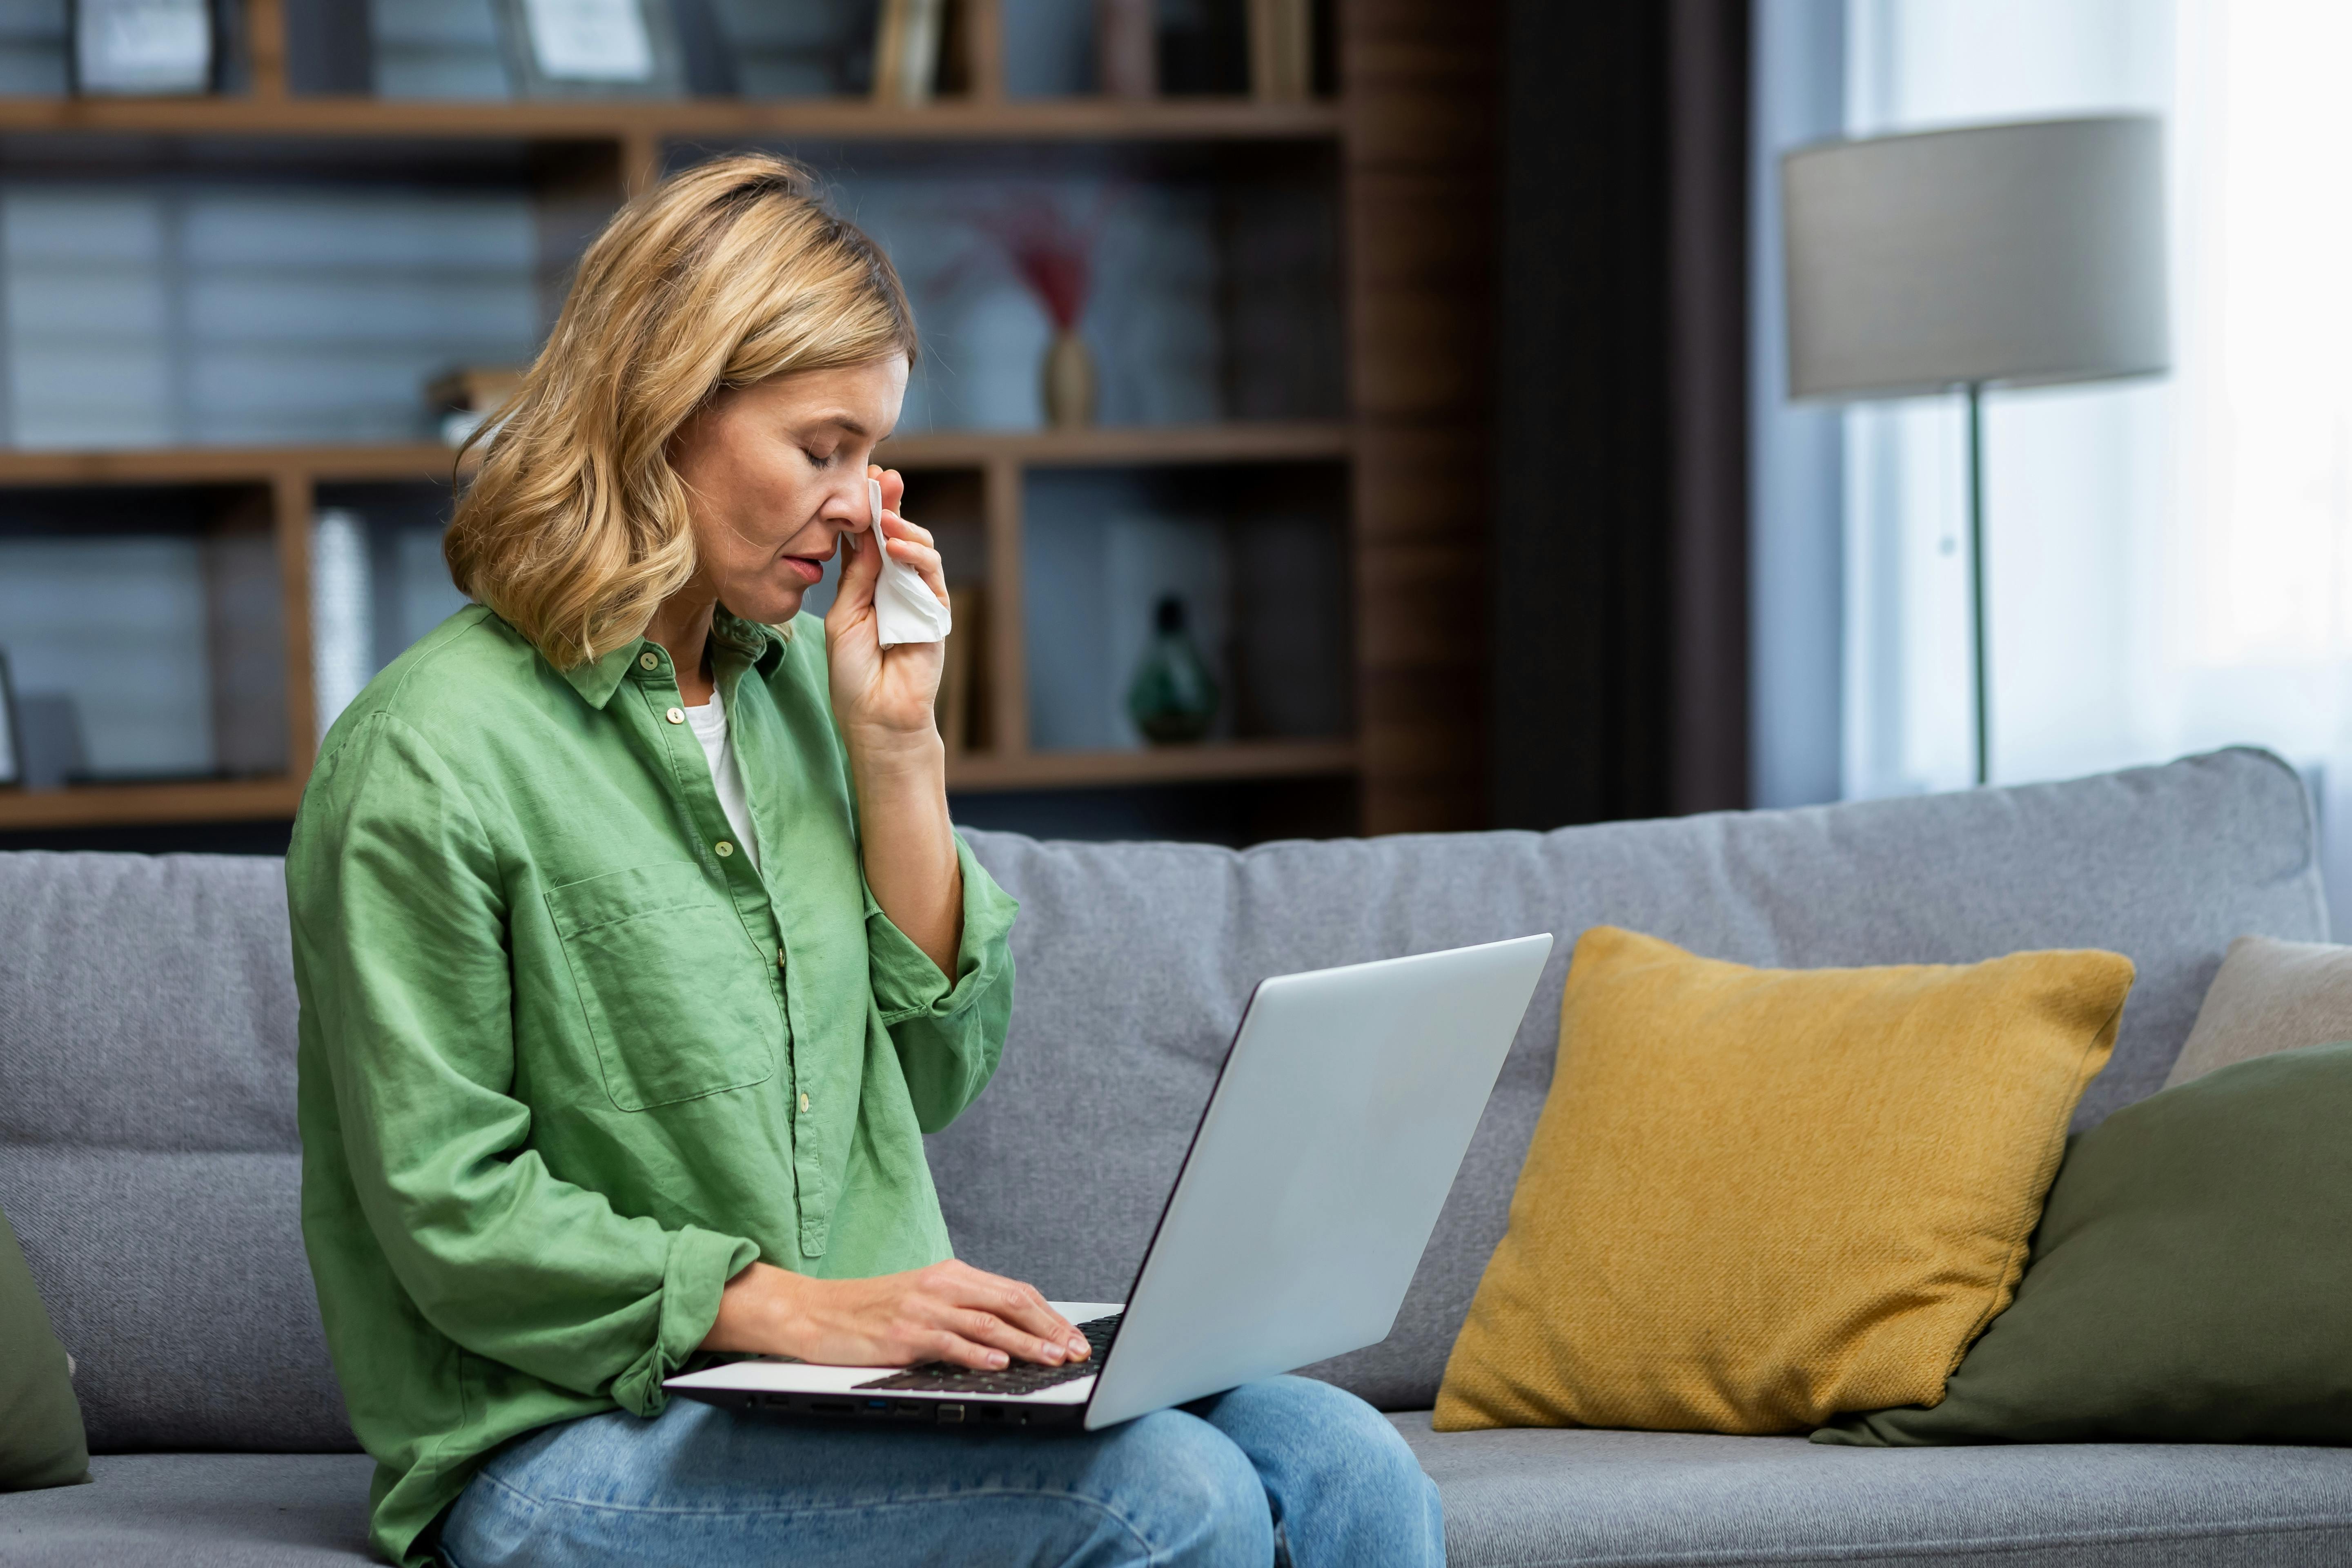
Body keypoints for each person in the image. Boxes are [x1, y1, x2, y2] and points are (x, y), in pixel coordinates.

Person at [287, 152, 1444, 1568]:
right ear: (666, 410)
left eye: (873, 452)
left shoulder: (793, 692)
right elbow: (449, 1211)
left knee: (1346, 1465)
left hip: (846, 1386)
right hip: (561, 1439)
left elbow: (939, 1073)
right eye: (820, 447)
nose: (861, 505)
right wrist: (806, 1310)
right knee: (1171, 1498)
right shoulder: (426, 754)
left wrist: (898, 749)